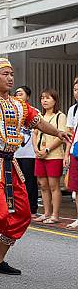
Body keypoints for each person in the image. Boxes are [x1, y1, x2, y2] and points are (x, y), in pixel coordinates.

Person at [0, 38, 70, 278]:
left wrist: (58, 132)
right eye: (5, 74)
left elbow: (38, 121)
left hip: (11, 164)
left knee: (22, 214)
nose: (10, 78)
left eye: (12, 74)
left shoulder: (20, 105)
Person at [33, 89, 66, 224]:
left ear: (55, 100)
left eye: (48, 98)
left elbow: (61, 136)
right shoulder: (39, 116)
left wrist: (47, 149)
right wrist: (36, 149)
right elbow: (34, 134)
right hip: (40, 155)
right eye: (42, 98)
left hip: (54, 155)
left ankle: (55, 215)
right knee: (43, 186)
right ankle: (46, 213)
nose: (44, 101)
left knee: (54, 186)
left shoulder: (60, 116)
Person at [14, 87, 38, 215]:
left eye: (21, 93)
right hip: (14, 153)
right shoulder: (11, 112)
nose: (18, 95)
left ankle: (32, 208)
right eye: (16, 93)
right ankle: (18, 207)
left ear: (28, 97)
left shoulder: (34, 111)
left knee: (29, 181)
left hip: (29, 154)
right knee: (17, 182)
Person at [64, 78, 78, 229]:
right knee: (76, 187)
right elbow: (70, 133)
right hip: (76, 151)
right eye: (75, 90)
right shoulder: (73, 109)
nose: (76, 92)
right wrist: (66, 154)